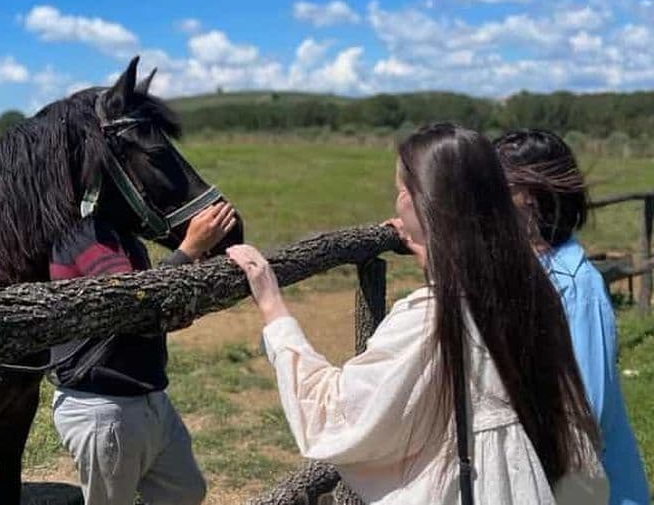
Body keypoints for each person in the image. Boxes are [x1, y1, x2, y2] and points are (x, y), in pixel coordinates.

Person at [227, 123, 607, 504]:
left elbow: (334, 414)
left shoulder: (431, 318)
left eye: (402, 190)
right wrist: (432, 249)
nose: (398, 202)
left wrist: (273, 308)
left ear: (421, 202)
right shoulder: (530, 290)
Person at [495, 128, 649, 505]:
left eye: (494, 183)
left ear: (527, 196)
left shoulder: (576, 287)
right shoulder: (531, 271)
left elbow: (585, 411)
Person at [50, 202, 237, 505]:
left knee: (186, 491)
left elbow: (141, 314)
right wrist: (188, 249)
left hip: (146, 397)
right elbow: (134, 303)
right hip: (104, 405)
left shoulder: (120, 235)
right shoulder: (87, 234)